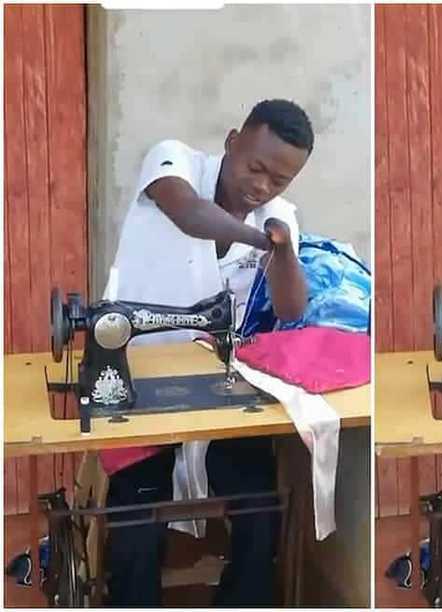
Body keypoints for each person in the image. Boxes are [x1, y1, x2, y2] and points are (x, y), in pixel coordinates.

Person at [102, 99, 312, 606]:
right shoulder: (173, 162)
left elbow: (290, 307)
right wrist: (260, 239)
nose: (262, 186)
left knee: (261, 512)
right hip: (138, 375)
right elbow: (192, 215)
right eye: (255, 167)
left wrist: (283, 250)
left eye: (279, 181)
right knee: (137, 519)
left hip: (219, 388)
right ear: (232, 139)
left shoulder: (278, 218)